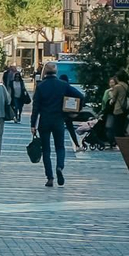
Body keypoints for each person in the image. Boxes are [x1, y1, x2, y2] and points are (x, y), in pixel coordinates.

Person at [30, 59, 84, 188]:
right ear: (56, 72)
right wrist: (74, 111)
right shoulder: (63, 85)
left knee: (46, 150)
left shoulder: (40, 86)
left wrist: (33, 125)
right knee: (60, 147)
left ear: (45, 72)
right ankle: (60, 166)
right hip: (59, 119)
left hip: (44, 121)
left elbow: (35, 107)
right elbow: (80, 96)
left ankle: (50, 177)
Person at [107, 70, 129, 146]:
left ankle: (117, 143)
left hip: (118, 109)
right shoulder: (126, 85)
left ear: (118, 78)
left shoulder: (117, 87)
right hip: (124, 108)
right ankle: (122, 143)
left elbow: (113, 99)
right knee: (121, 127)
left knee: (116, 127)